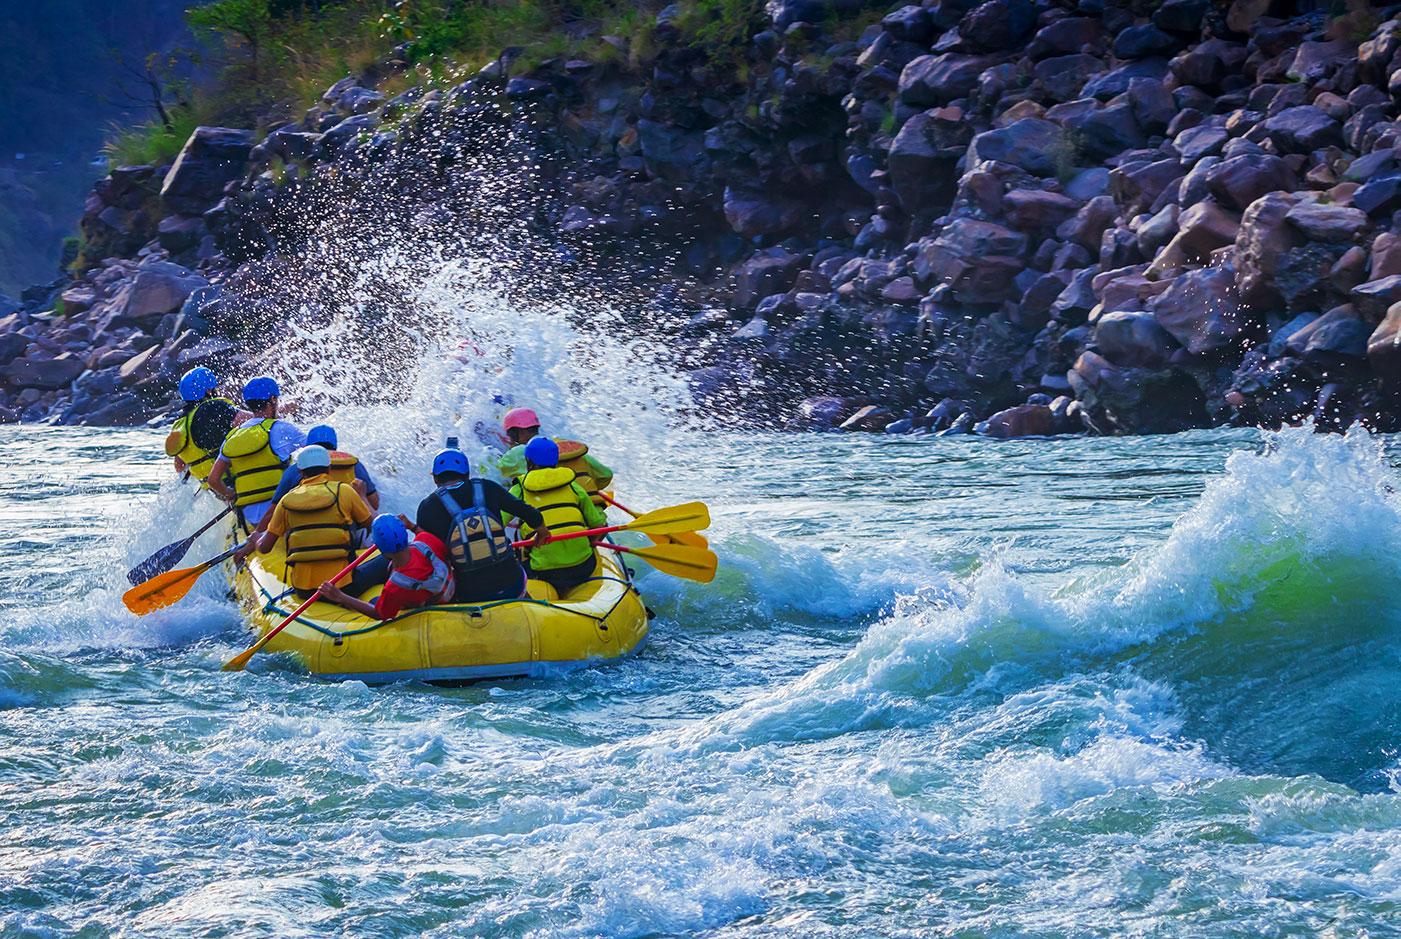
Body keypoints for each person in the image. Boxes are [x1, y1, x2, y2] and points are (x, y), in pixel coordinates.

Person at [415, 444, 551, 603]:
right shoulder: (488, 487)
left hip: (470, 592)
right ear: (467, 474)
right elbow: (530, 513)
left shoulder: (427, 507)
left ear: (435, 478)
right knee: (519, 587)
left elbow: (429, 556)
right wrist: (542, 532)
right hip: (511, 582)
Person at [244, 445, 373, 595]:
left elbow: (265, 547)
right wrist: (363, 497)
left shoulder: (286, 501)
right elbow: (373, 527)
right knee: (384, 560)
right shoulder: (344, 491)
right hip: (344, 585)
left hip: (304, 590)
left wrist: (256, 539)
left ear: (300, 472)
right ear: (329, 468)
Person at [505, 436, 609, 598]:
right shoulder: (573, 485)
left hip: (545, 572)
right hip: (584, 566)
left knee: (518, 553)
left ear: (528, 461)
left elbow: (495, 523)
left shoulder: (520, 489)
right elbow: (599, 525)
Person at [207, 376, 305, 529]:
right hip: (280, 512)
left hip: (249, 518)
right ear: (273, 399)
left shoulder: (233, 436)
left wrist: (230, 494)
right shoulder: (281, 429)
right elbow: (320, 450)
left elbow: (213, 480)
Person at [319, 514, 455, 621]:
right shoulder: (425, 541)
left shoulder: (396, 586)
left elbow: (379, 613)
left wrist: (340, 596)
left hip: (423, 604)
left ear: (381, 548)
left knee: (373, 601)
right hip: (447, 592)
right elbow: (439, 548)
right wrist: (412, 526)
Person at [263, 424, 380, 521]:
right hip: (347, 535)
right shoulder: (354, 465)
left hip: (303, 535)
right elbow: (374, 504)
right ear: (334, 446)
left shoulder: (295, 469)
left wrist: (257, 533)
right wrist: (362, 496)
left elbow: (272, 512)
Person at [496, 406, 615, 501]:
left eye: (511, 434)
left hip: (548, 518)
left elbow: (494, 473)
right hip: (590, 511)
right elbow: (606, 474)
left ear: (520, 431)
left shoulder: (516, 453)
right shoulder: (566, 446)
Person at [164, 367, 245, 484]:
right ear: (208, 391)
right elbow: (256, 419)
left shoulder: (183, 422)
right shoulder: (214, 407)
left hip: (212, 489)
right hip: (235, 480)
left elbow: (179, 466)